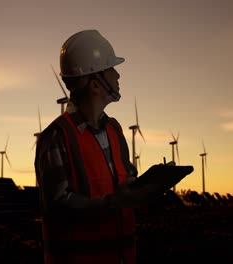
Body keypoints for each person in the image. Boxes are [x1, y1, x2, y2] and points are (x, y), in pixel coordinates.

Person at [34, 29, 165, 264]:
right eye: (111, 70)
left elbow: (125, 187)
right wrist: (114, 203)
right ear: (96, 84)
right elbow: (58, 208)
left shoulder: (115, 130)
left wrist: (151, 185)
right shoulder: (56, 137)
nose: (118, 76)